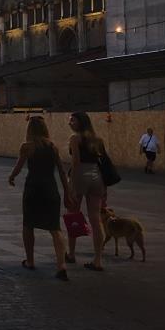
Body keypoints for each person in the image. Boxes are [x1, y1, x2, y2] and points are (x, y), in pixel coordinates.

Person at [8, 116, 74, 281]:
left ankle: (30, 260)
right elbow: (61, 171)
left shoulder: (26, 147)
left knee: (28, 224)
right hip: (50, 188)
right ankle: (61, 265)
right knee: (55, 228)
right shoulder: (52, 147)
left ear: (29, 130)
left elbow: (19, 166)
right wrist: (67, 192)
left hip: (33, 189)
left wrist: (12, 177)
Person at [66, 112, 107, 271]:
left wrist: (71, 185)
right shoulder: (98, 140)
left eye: (72, 120)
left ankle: (71, 254)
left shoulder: (75, 138)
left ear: (80, 122)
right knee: (95, 219)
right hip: (97, 175)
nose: (70, 123)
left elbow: (76, 162)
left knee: (73, 215)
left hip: (80, 175)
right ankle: (98, 260)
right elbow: (103, 162)